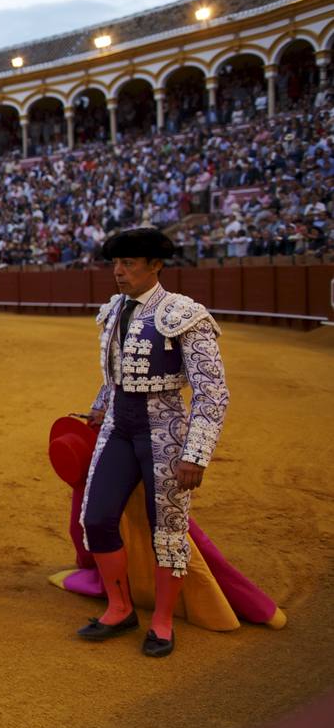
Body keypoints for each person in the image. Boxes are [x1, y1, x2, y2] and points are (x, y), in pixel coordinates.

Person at [76, 227, 228, 657]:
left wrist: (195, 454)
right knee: (97, 518)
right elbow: (114, 373)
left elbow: (212, 391)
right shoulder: (114, 310)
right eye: (115, 263)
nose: (118, 272)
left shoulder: (183, 313)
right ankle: (120, 608)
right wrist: (100, 404)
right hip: (118, 428)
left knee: (169, 529)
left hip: (165, 432)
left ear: (156, 265)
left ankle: (162, 621)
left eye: (129, 264)